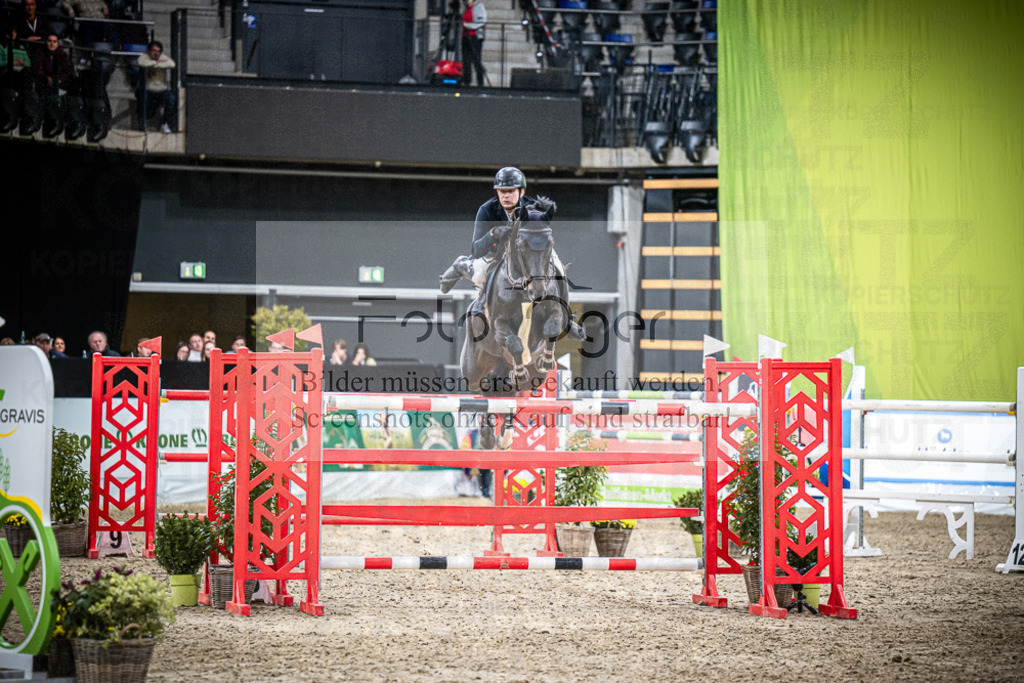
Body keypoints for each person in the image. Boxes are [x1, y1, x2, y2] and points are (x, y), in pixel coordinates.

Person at [31, 33, 72, 136]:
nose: (52, 44)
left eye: (54, 41)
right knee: (43, 94)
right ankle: (38, 122)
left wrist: (59, 80)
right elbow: (37, 68)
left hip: (58, 83)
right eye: (49, 41)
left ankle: (62, 122)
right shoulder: (40, 52)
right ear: (46, 42)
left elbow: (68, 71)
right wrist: (46, 77)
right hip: (43, 82)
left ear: (57, 44)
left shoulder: (62, 54)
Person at [136, 39, 176, 133]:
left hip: (161, 90)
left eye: (158, 51)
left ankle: (164, 123)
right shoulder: (144, 57)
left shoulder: (163, 57)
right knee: (143, 97)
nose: (156, 54)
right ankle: (142, 123)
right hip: (147, 89)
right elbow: (142, 63)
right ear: (149, 51)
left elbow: (172, 64)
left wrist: (157, 64)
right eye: (154, 51)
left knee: (172, 98)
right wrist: (156, 63)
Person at [460, 0, 486, 87]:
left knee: (476, 60)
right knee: (466, 61)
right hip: (465, 36)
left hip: (475, 37)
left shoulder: (479, 6)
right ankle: (467, 82)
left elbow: (482, 21)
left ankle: (480, 83)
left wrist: (469, 26)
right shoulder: (465, 7)